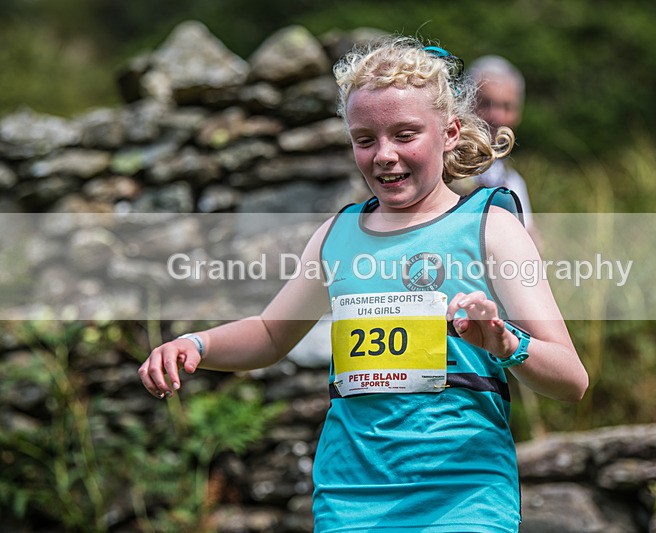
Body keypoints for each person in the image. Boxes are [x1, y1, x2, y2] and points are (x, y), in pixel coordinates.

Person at [138, 36, 588, 532]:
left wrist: (505, 341)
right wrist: (196, 343)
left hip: (464, 500)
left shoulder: (491, 227)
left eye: (405, 134)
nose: (384, 155)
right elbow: (270, 334)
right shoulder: (337, 235)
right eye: (365, 139)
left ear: (451, 132)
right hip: (350, 502)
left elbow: (571, 379)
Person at [463, 55, 536, 233]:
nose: (496, 116)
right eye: (485, 103)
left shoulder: (513, 183)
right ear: (464, 103)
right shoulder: (438, 167)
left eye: (507, 107)